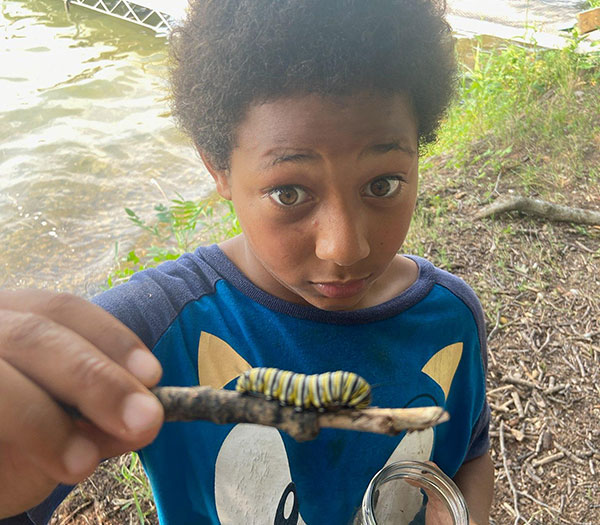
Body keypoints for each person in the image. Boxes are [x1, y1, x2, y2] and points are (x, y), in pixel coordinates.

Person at [0, 0, 494, 523]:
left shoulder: (451, 319)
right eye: (288, 193)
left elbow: (470, 453)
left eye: (382, 184)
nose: (345, 249)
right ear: (218, 169)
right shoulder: (157, 330)